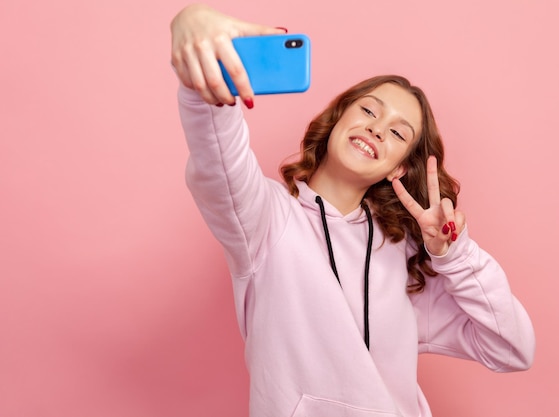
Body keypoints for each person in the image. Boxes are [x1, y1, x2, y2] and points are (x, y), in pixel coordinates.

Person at [170, 4, 535, 417]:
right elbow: (220, 157)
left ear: (398, 166)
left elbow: (512, 348)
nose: (377, 128)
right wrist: (197, 46)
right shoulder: (266, 220)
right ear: (338, 116)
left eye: (398, 132)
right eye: (367, 110)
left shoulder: (404, 262)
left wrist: (455, 254)